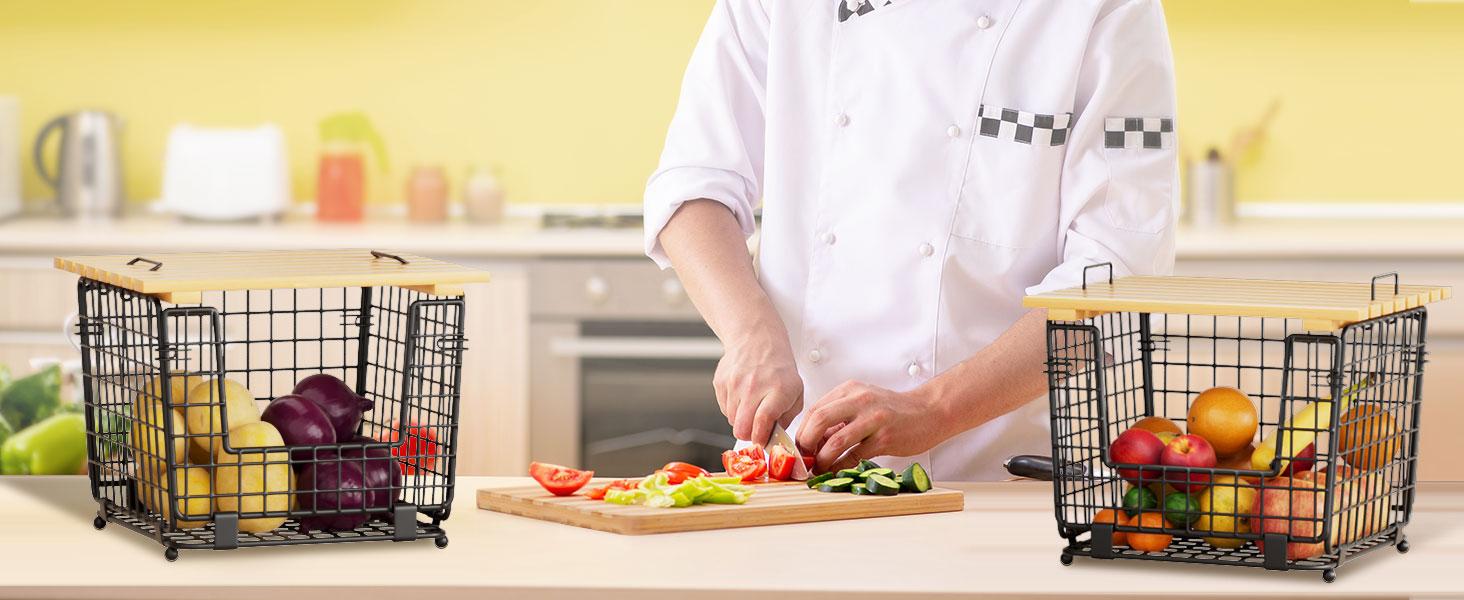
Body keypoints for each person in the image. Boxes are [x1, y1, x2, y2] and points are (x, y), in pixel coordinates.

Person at [644, 0, 1177, 480]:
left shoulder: (1109, 10)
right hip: (800, 469)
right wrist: (749, 333)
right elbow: (693, 186)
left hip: (1000, 476)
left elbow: (1115, 274)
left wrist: (936, 408)